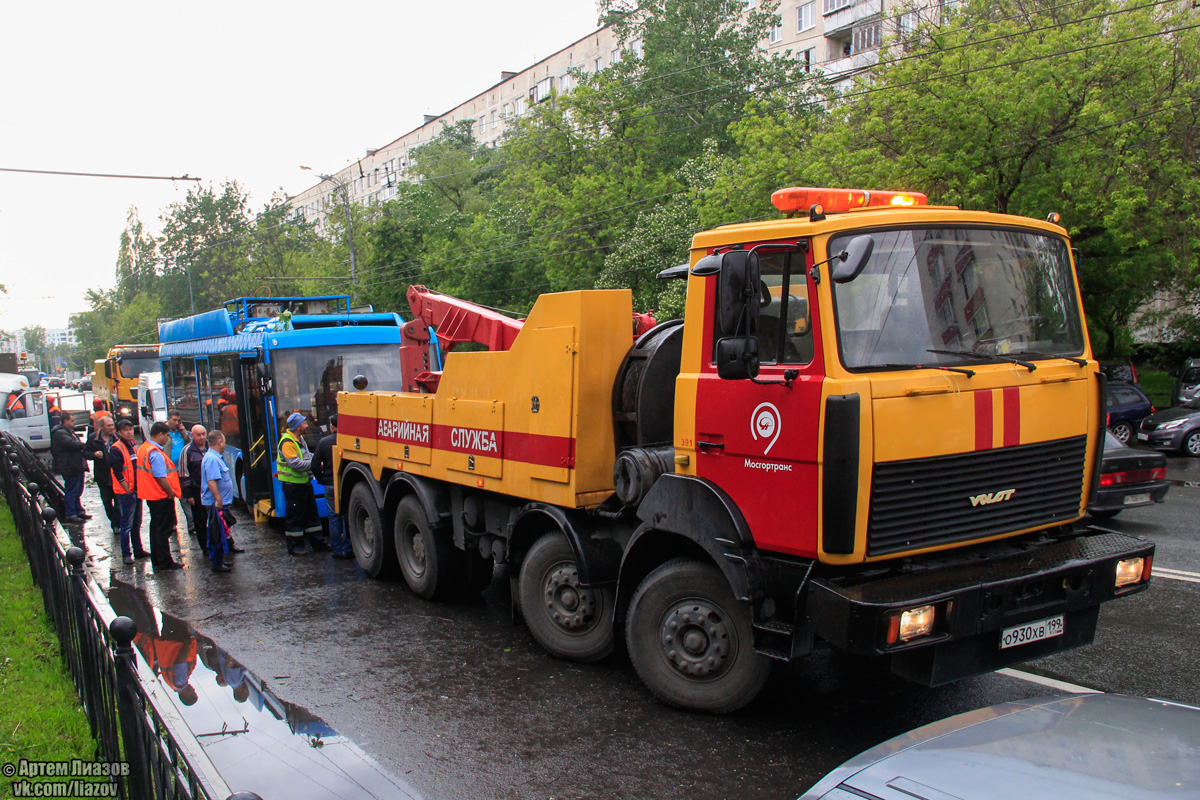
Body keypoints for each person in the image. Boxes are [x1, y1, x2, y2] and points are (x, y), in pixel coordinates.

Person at [277, 412, 328, 556]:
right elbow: (295, 464)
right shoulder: (287, 442)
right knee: (295, 518)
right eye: (304, 423)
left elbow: (307, 456)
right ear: (298, 426)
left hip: (304, 484)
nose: (307, 425)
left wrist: (317, 458)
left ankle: (318, 543)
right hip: (293, 487)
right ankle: (295, 547)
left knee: (312, 515)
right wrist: (316, 464)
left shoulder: (299, 439)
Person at [137, 421, 183, 571]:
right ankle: (165, 561)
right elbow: (161, 477)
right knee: (164, 530)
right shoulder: (155, 453)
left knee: (155, 529)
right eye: (167, 435)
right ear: (160, 434)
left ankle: (157, 559)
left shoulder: (144, 448)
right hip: (161, 496)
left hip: (151, 495)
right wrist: (171, 492)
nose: (167, 439)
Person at [311, 414, 352, 559]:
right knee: (346, 516)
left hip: (330, 484)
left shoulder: (324, 442)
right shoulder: (348, 440)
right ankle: (348, 548)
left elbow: (314, 464)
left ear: (331, 426)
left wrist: (321, 479)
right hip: (346, 485)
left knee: (334, 517)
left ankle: (337, 549)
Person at [111, 420, 147, 564]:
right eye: (125, 430)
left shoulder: (132, 446)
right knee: (126, 524)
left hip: (136, 489)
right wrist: (126, 488)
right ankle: (126, 554)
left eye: (131, 429)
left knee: (136, 522)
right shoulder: (117, 448)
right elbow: (117, 472)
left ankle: (138, 550)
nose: (129, 432)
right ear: (119, 432)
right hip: (126, 492)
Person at [202, 430, 235, 573]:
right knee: (216, 534)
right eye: (224, 442)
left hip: (217, 503)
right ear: (220, 442)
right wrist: (218, 499)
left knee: (220, 533)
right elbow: (211, 481)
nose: (225, 445)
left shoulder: (214, 457)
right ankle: (216, 563)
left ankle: (220, 560)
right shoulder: (212, 459)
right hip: (215, 504)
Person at [51, 411, 89, 523]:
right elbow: (72, 444)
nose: (74, 422)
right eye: (72, 420)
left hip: (74, 465)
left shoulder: (68, 431)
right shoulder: (60, 433)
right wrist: (86, 445)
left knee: (77, 489)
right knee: (72, 490)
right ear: (65, 421)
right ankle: (71, 513)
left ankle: (78, 510)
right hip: (69, 465)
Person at [85, 415, 120, 533]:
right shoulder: (93, 438)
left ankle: (117, 524)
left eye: (112, 425)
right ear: (101, 427)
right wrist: (94, 455)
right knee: (106, 501)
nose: (111, 428)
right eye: (108, 426)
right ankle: (114, 521)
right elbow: (85, 452)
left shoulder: (117, 437)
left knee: (119, 502)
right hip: (103, 476)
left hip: (117, 476)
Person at [179, 425, 209, 553]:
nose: (202, 437)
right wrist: (188, 495)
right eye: (198, 435)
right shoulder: (187, 451)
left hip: (211, 490)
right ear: (192, 435)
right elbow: (183, 474)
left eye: (203, 434)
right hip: (197, 491)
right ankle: (205, 548)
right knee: (200, 521)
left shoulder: (210, 447)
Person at [166, 412, 190, 533]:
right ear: (168, 419)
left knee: (184, 496)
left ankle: (191, 523)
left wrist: (184, 432)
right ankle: (172, 523)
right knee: (169, 498)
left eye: (178, 420)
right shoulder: (165, 432)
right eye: (174, 420)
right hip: (169, 471)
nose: (176, 423)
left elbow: (190, 444)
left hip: (181, 469)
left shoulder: (180, 432)